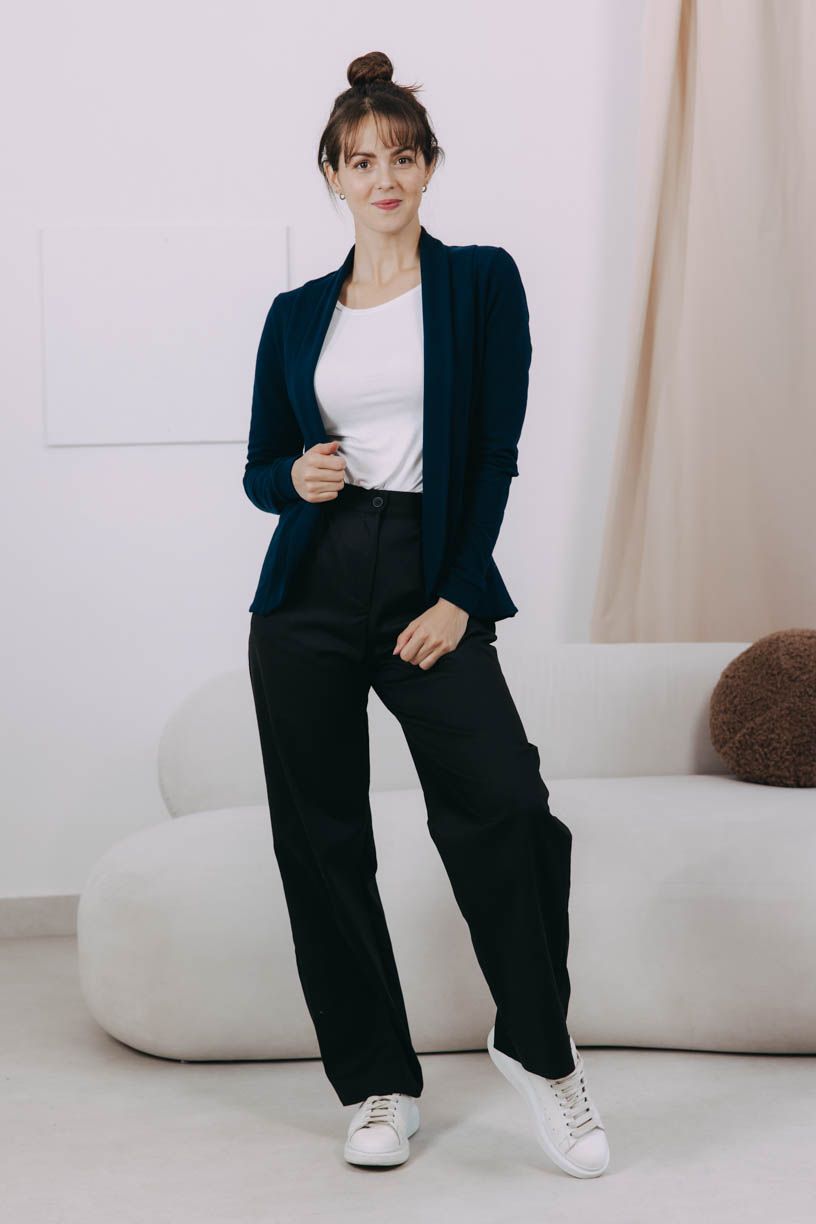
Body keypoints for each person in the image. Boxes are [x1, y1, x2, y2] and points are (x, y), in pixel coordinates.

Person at [245, 50, 610, 1178]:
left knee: (507, 805)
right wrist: (291, 478)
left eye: (402, 157)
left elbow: (494, 453)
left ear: (429, 166)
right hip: (307, 590)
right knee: (322, 841)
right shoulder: (295, 313)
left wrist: (457, 596)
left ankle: (541, 1051)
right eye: (362, 162)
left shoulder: (481, 284)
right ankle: (377, 1084)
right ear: (332, 175)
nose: (384, 178)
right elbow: (261, 466)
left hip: (428, 574)